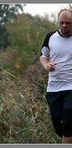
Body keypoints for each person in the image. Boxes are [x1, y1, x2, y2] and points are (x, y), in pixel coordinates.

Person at [39, 8, 72, 143]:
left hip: (70, 87)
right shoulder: (50, 37)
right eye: (61, 22)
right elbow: (43, 56)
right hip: (53, 88)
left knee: (69, 118)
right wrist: (46, 65)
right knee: (57, 123)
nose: (64, 25)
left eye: (68, 23)